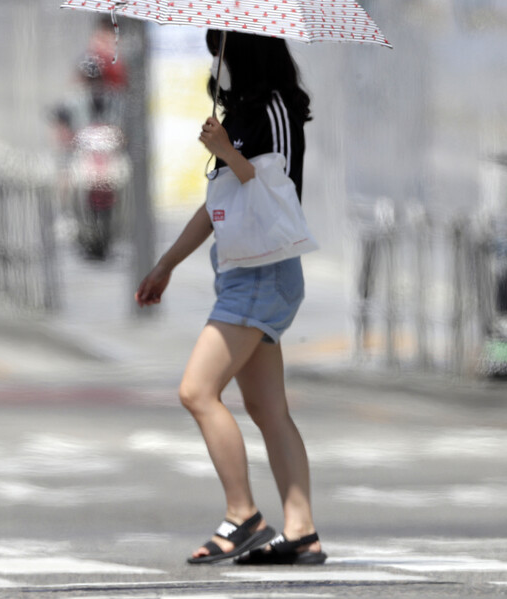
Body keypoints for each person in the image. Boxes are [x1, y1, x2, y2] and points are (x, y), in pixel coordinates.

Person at [135, 30, 326, 566]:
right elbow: (216, 204)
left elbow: (275, 190)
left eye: (218, 46)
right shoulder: (240, 113)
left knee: (197, 391)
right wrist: (166, 264)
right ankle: (301, 532)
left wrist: (226, 152)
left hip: (265, 272)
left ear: (243, 49)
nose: (214, 60)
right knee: (267, 408)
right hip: (242, 273)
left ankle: (243, 515)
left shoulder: (275, 108)